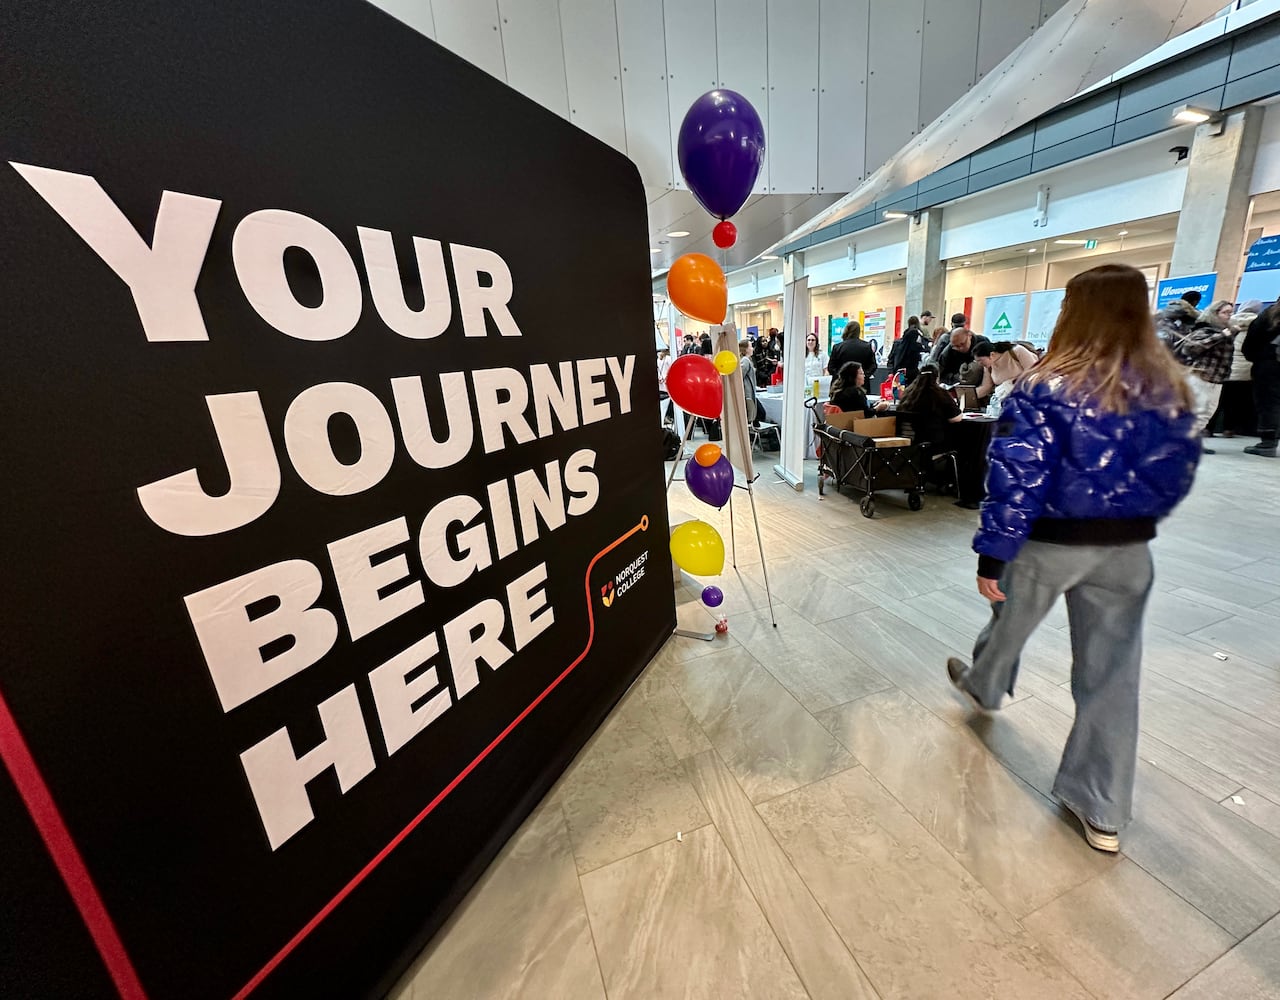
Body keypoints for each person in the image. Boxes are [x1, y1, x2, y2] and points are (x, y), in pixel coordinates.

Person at [946, 264, 1200, 854]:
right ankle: (1102, 808)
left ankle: (984, 686)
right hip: (1129, 552)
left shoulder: (1043, 386)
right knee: (1113, 676)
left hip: (1052, 542)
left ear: (1073, 313)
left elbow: (1016, 477)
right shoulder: (1167, 388)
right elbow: (1177, 472)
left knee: (1008, 621)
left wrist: (992, 553)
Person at [1174, 300, 1235, 454]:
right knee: (1197, 411)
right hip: (1201, 376)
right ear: (1215, 313)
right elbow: (1191, 348)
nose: (1229, 315)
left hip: (1217, 378)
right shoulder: (1205, 330)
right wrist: (1220, 336)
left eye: (1230, 312)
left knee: (1207, 414)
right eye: (1225, 312)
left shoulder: (1226, 331)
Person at [1207, 301, 1260, 438]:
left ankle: (1209, 428)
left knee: (1216, 401)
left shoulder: (1230, 323)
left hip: (1226, 368)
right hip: (1246, 371)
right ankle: (1228, 429)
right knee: (1236, 403)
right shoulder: (1258, 325)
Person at [1241, 300, 1280, 457]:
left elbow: (1250, 342)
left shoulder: (1269, 315)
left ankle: (1268, 443)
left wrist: (1257, 358)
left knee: (1268, 403)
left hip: (1268, 365)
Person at [972, 341, 1037, 401]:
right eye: (977, 361)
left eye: (980, 360)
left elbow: (1034, 372)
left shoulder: (1017, 351)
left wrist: (1011, 382)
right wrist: (967, 397)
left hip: (1026, 396)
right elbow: (986, 387)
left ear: (991, 355)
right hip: (1007, 400)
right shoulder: (988, 366)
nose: (979, 364)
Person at [888, 317, 928, 385]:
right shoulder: (917, 347)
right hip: (910, 374)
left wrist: (891, 372)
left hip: (900, 373)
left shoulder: (899, 344)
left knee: (900, 392)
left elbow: (891, 359)